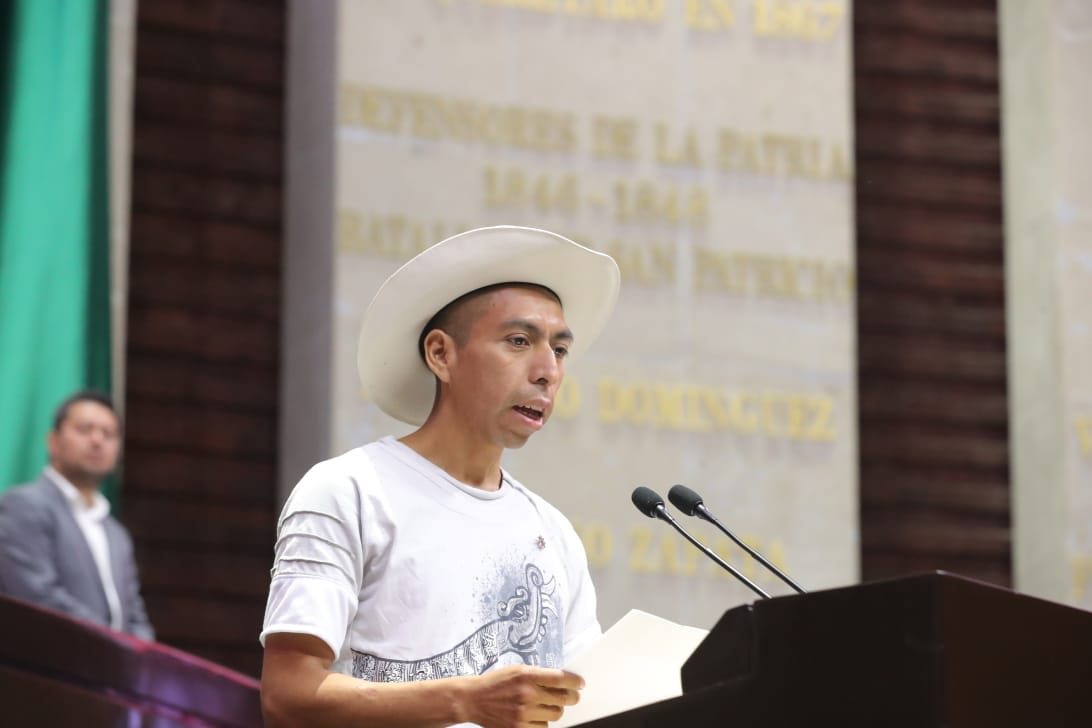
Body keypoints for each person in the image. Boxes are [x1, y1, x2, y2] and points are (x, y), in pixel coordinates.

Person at [260, 226, 620, 728]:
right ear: (440, 354)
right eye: (519, 341)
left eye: (559, 350)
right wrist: (464, 701)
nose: (547, 371)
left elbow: (586, 707)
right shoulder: (350, 490)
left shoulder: (554, 533)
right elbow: (287, 695)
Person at [0, 389, 154, 640]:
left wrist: (143, 654)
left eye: (109, 434)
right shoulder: (22, 506)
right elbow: (38, 598)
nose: (97, 440)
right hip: (47, 661)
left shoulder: (117, 534)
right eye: (84, 429)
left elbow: (135, 617)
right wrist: (115, 647)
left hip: (112, 664)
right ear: (53, 441)